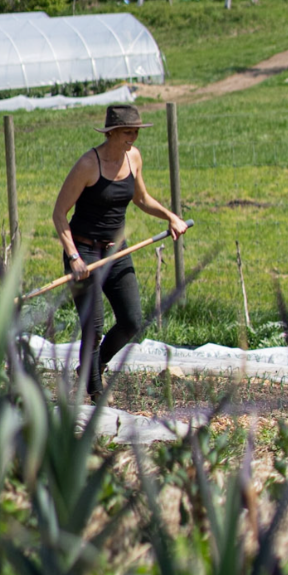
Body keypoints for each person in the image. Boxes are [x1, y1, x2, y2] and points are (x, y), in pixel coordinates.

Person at [53, 105, 187, 401]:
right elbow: (60, 214)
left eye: (137, 131)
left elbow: (141, 198)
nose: (134, 136)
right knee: (94, 326)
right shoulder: (89, 164)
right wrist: (74, 256)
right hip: (85, 251)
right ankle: (95, 391)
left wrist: (170, 217)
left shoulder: (134, 157)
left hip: (116, 252)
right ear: (112, 132)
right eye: (129, 131)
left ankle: (94, 366)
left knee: (132, 321)